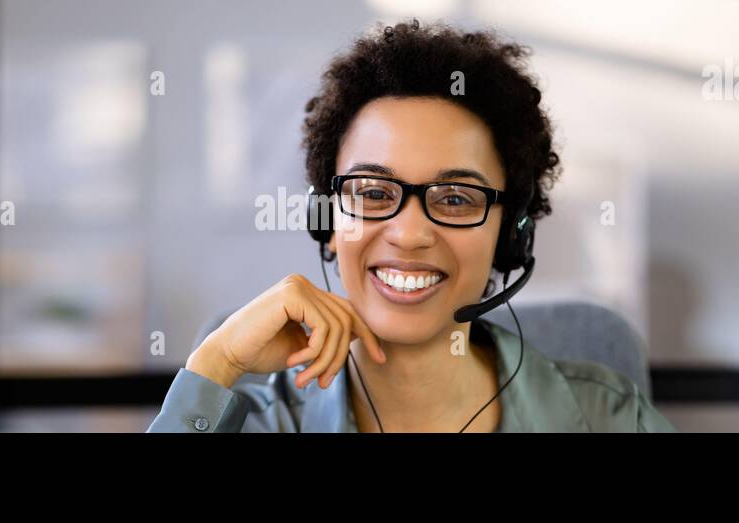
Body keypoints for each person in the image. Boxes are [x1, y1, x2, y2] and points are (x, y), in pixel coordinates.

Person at [147, 20, 675, 433]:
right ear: (327, 220)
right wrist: (217, 362)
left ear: (510, 235)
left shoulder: (607, 415)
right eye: (374, 193)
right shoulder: (256, 423)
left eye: (455, 198)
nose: (409, 233)